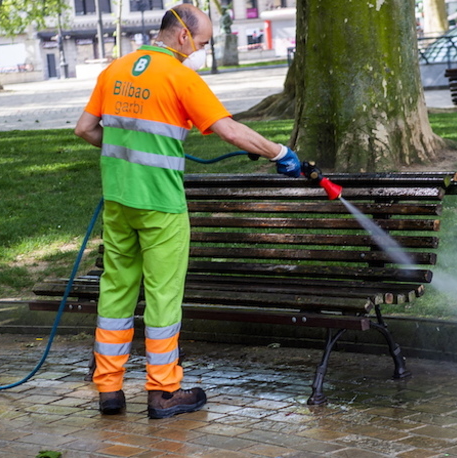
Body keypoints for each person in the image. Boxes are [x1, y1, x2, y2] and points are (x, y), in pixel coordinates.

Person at [74, 3, 301, 419]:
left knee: (116, 290)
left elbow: (85, 129)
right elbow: (229, 130)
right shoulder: (181, 76)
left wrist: (127, 153)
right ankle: (163, 392)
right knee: (162, 297)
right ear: (182, 36)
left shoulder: (115, 69)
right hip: (160, 205)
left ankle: (109, 388)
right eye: (203, 42)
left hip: (119, 201)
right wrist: (280, 152)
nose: (202, 50)